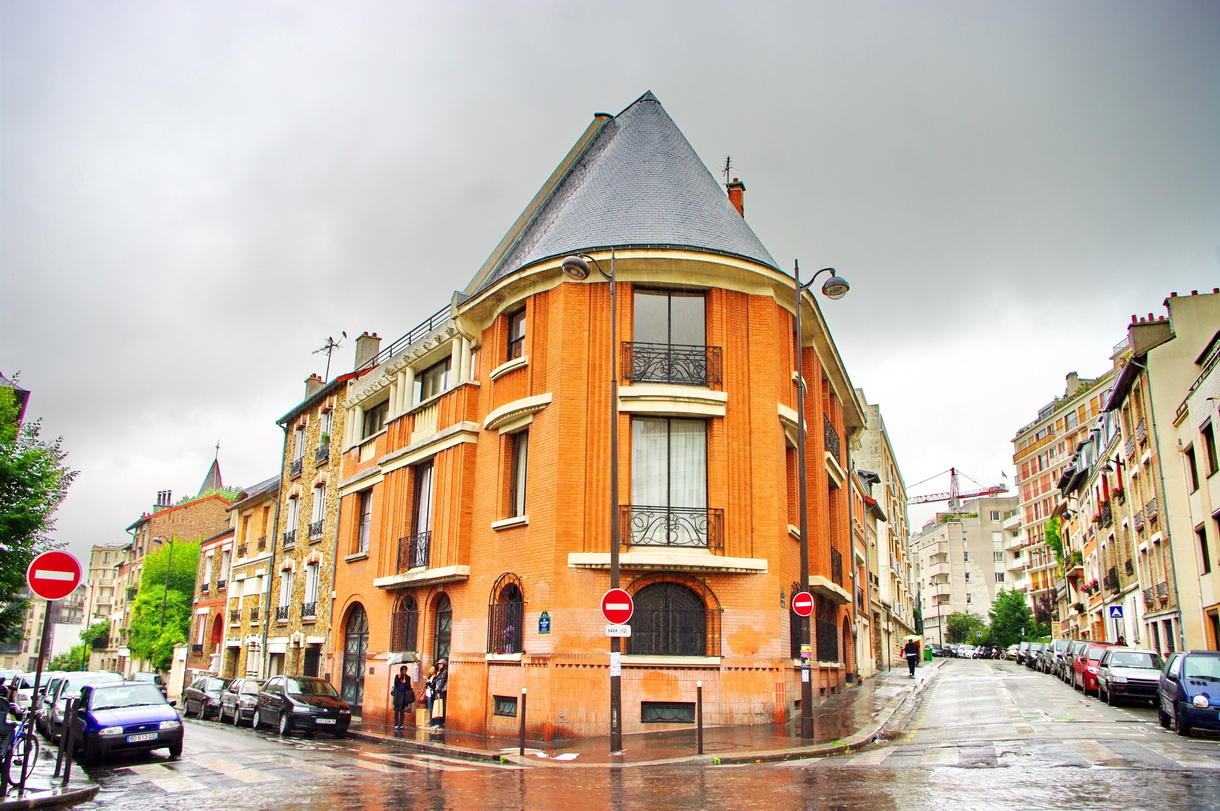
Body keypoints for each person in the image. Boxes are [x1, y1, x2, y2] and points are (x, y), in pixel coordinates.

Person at [391, 665, 413, 731]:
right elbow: (395, 684)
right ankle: (396, 724)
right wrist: (399, 679)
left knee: (402, 711)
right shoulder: (397, 676)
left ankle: (401, 724)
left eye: (405, 670)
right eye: (403, 670)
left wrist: (405, 683)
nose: (404, 671)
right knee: (396, 711)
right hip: (398, 695)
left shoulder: (408, 677)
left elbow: (409, 686)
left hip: (404, 696)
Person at [429, 659, 448, 728]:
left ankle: (440, 723)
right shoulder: (439, 672)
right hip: (437, 690)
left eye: (441, 664)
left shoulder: (444, 672)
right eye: (439, 664)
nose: (439, 666)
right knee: (437, 706)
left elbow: (442, 682)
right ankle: (437, 722)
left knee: (440, 707)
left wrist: (439, 691)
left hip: (441, 691)